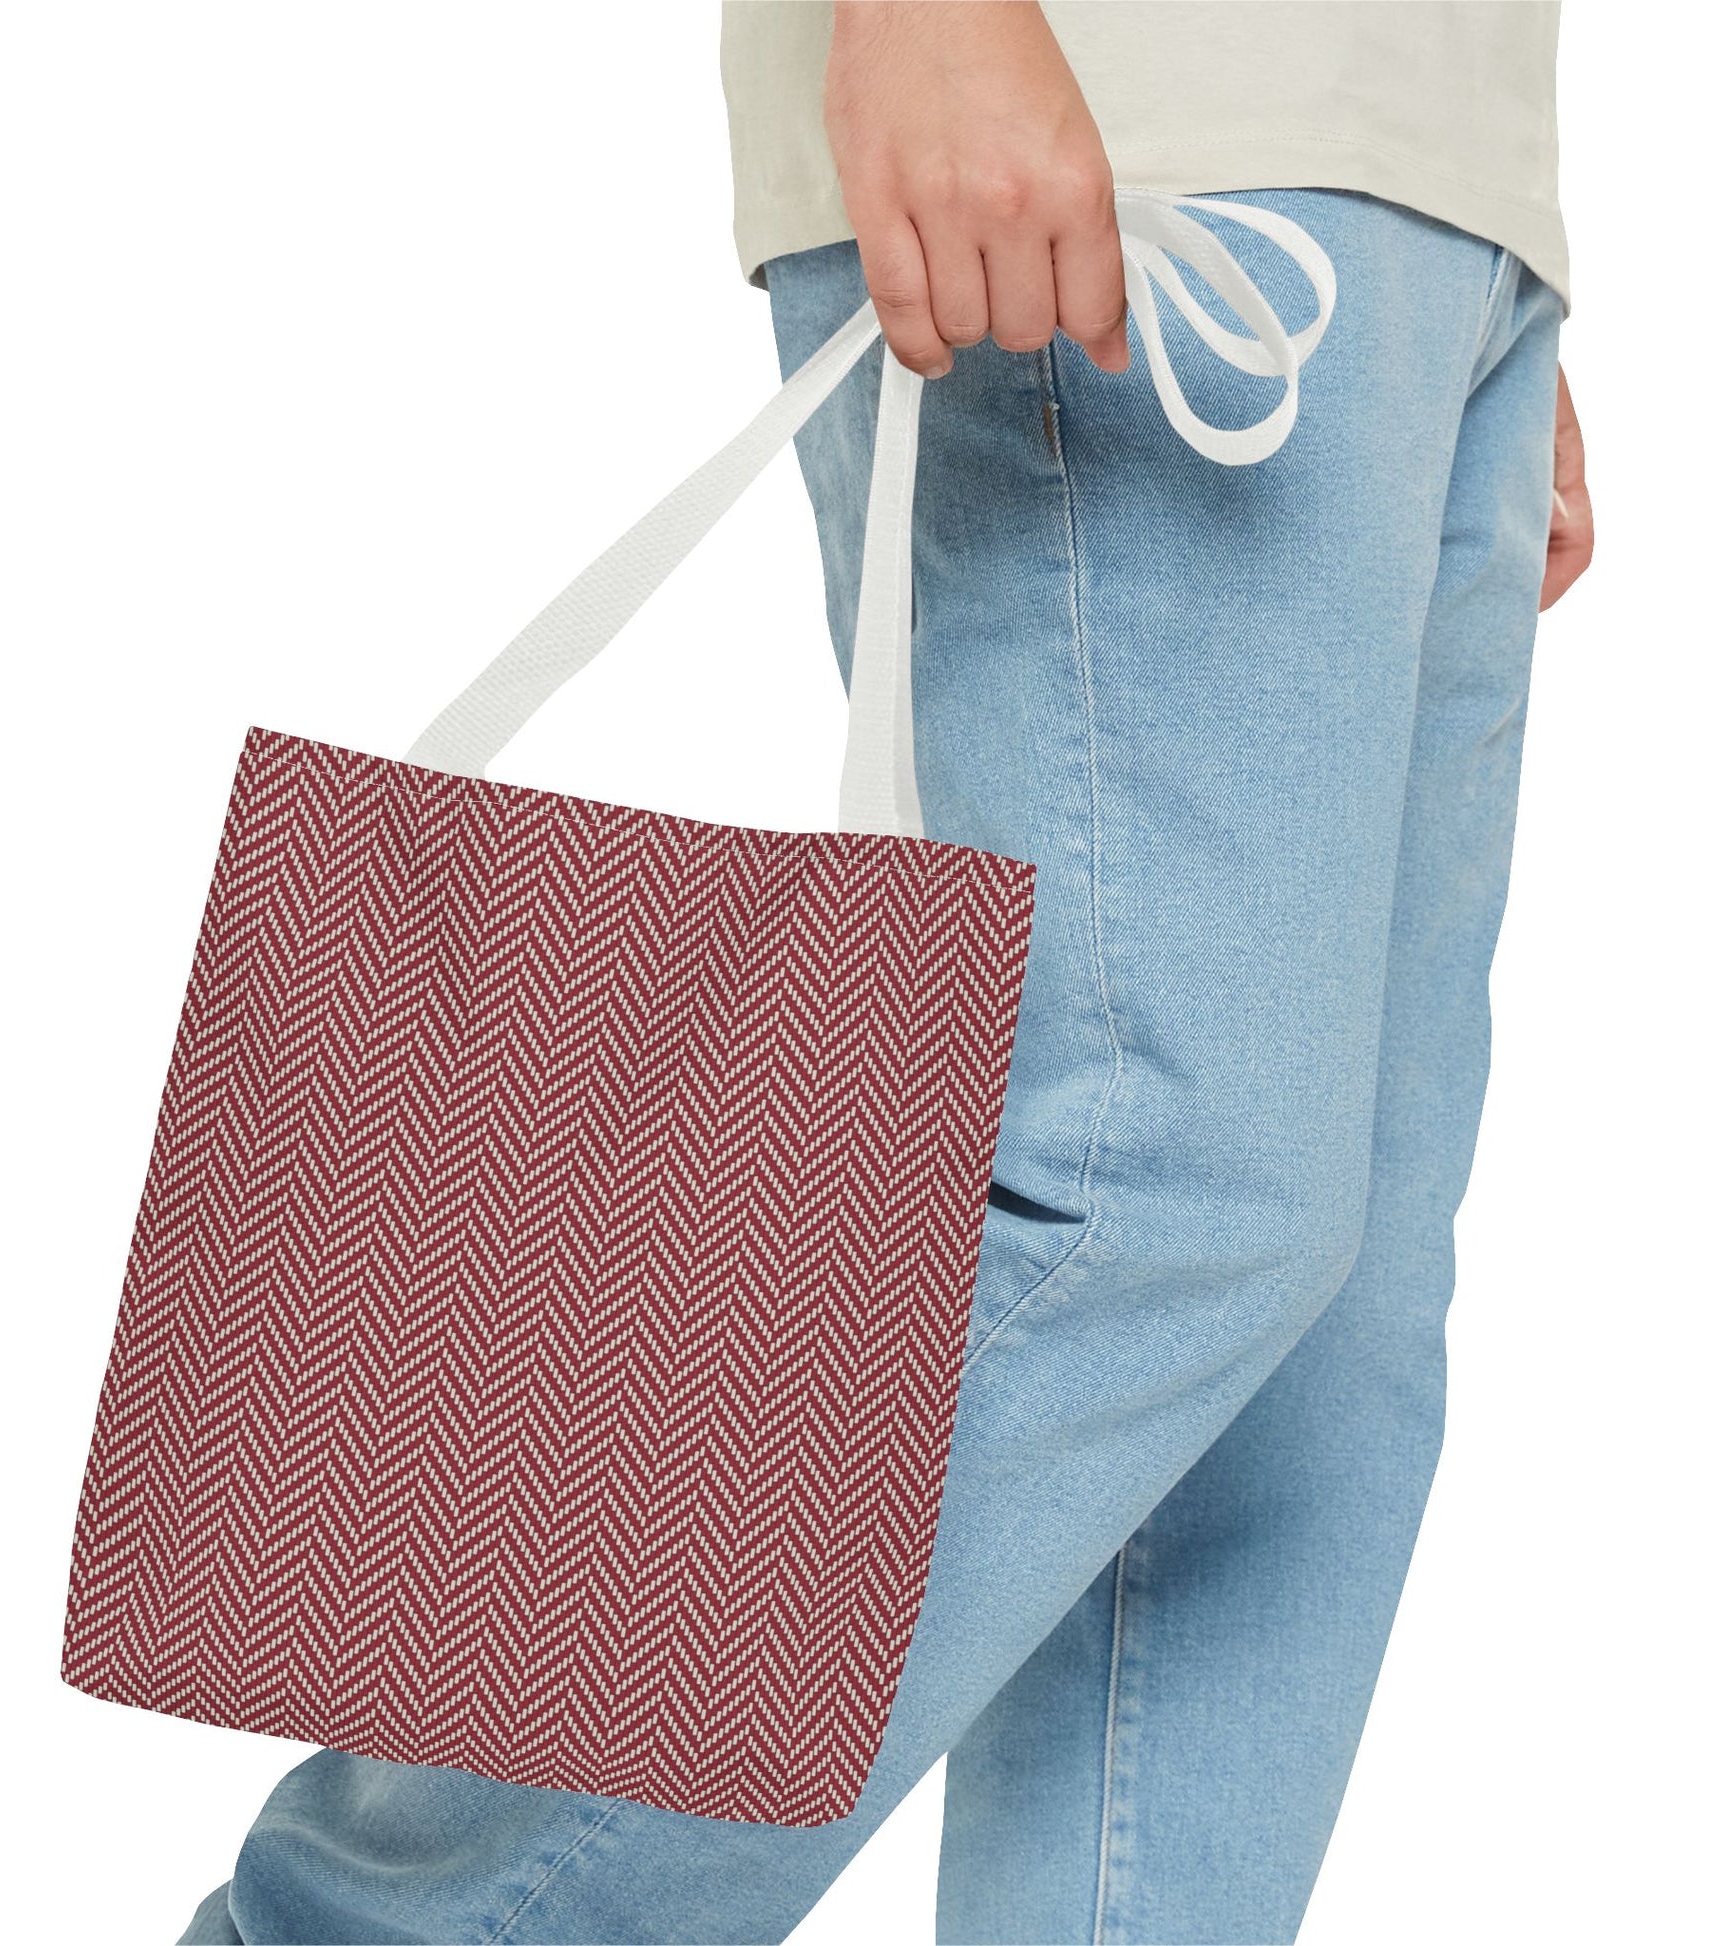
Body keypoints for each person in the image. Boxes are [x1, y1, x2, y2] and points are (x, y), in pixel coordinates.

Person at [178, 4, 1592, 1940]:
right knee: (1148, 1200)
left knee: (1309, 1361)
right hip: (1143, 124)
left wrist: (1473, 234)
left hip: (1417, 191)